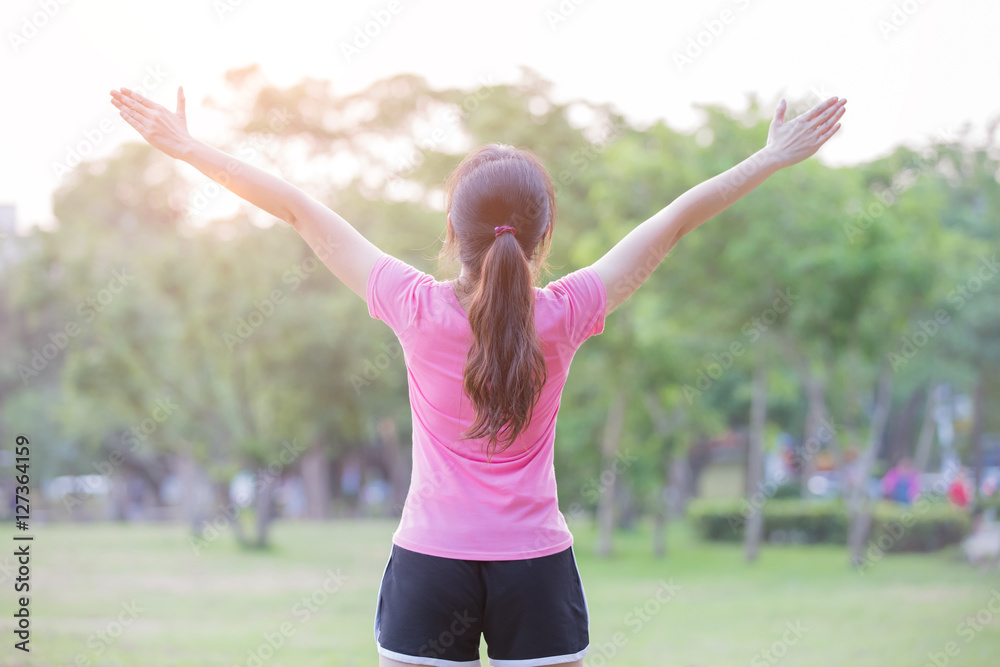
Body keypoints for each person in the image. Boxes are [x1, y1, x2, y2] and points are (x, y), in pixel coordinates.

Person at [110, 85, 845, 667]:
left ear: (451, 233)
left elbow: (300, 210)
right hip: (537, 573)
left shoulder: (413, 305)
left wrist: (188, 148)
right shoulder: (566, 312)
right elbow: (676, 220)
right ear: (542, 234)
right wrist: (771, 156)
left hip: (430, 565)